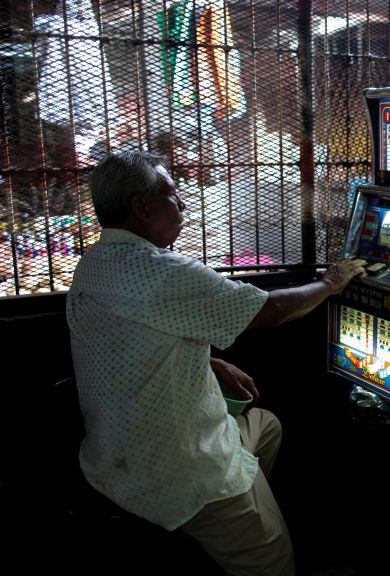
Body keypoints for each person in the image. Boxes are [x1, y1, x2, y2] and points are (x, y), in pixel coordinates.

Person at [66, 150, 366, 576]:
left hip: (112, 456)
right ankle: (241, 527)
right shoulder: (158, 271)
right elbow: (270, 311)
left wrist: (208, 363)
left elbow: (131, 337)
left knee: (266, 427)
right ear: (141, 205)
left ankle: (241, 517)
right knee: (274, 560)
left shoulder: (96, 262)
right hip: (177, 470)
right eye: (173, 195)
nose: (183, 205)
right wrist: (330, 282)